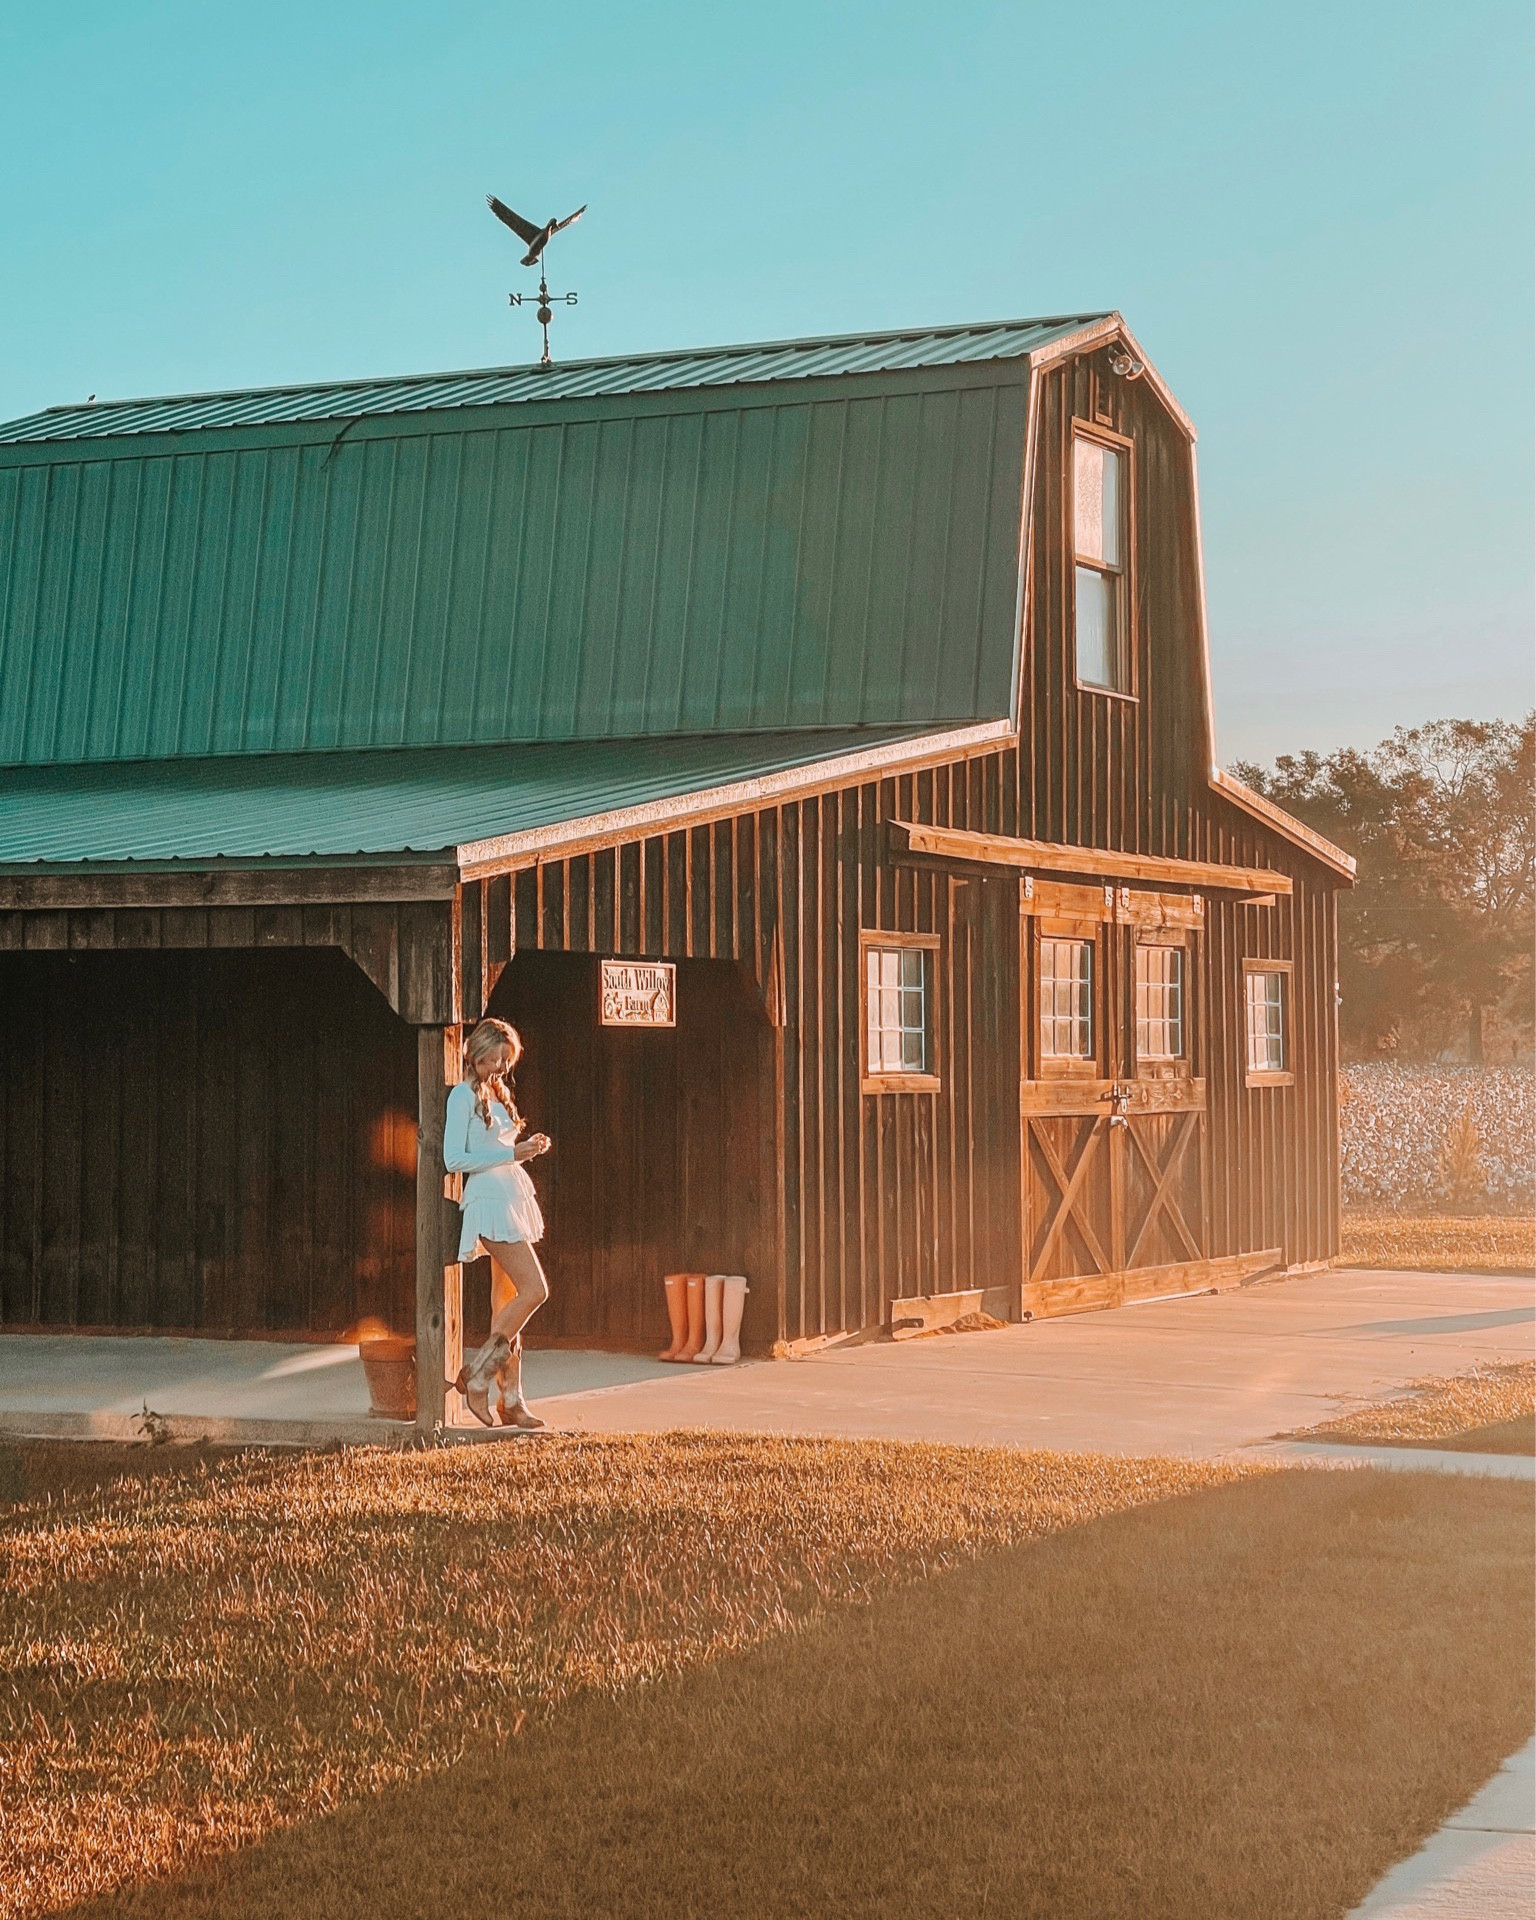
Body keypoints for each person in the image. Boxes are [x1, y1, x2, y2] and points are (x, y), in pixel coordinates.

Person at [442, 1017, 552, 1428]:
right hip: (488, 1201)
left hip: (511, 1197)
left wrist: (527, 1149)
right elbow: (454, 1160)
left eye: (507, 1061)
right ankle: (477, 1373)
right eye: (496, 1060)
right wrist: (512, 1155)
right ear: (478, 1051)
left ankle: (511, 1398)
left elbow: (502, 1147)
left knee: (507, 1304)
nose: (502, 1069)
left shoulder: (495, 1093)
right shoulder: (461, 1097)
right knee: (535, 1290)